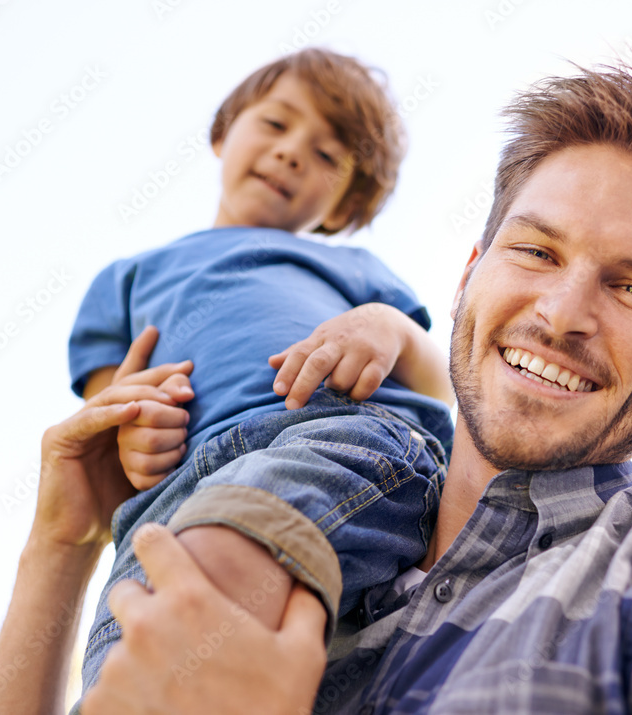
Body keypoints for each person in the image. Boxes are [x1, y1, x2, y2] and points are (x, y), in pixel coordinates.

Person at [0, 64, 632, 714]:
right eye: (535, 249)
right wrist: (59, 548)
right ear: (468, 273)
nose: (562, 312)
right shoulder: (246, 544)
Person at [65, 47, 455, 701]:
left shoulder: (359, 272)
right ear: (224, 132)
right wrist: (136, 442)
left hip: (332, 437)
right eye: (276, 124)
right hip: (172, 502)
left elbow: (441, 385)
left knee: (212, 585)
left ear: (343, 205)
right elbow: (106, 426)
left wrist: (388, 328)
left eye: (329, 156)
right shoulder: (126, 279)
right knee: (128, 649)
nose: (294, 152)